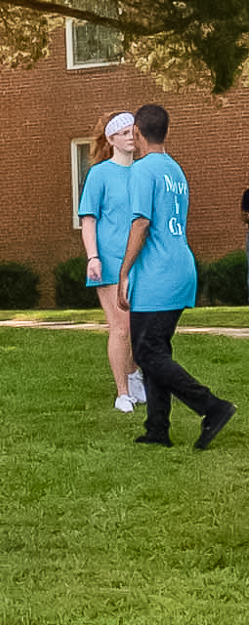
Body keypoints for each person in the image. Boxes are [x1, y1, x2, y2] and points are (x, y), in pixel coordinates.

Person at [119, 104, 235, 449]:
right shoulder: (175, 170)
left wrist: (123, 271)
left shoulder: (142, 170)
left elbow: (141, 223)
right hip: (180, 267)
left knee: (148, 352)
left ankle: (212, 407)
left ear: (138, 132)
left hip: (157, 275)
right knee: (155, 350)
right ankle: (157, 429)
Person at [79, 111, 144, 412]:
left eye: (135, 131)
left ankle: (134, 375)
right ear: (112, 138)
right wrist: (93, 257)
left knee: (139, 327)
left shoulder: (144, 171)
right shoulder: (100, 174)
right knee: (120, 328)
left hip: (141, 261)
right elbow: (89, 219)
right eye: (125, 132)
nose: (132, 136)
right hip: (109, 261)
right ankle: (122, 393)